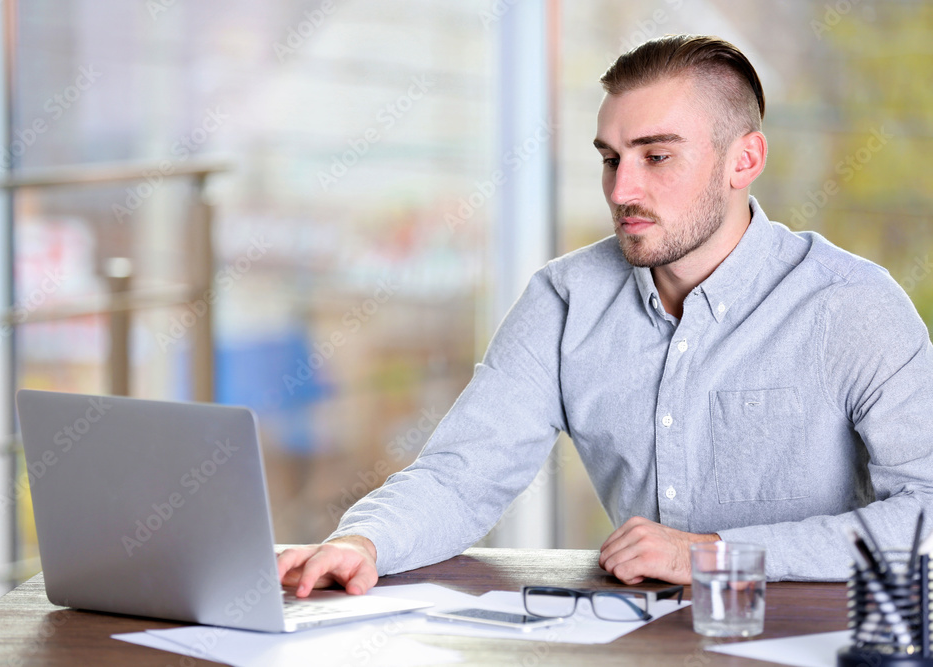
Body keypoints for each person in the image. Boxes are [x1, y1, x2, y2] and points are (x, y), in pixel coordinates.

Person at [278, 34, 933, 596]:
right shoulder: (566, 300)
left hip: (816, 644)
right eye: (610, 158)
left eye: (657, 156)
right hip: (640, 643)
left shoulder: (851, 305)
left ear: (744, 160)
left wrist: (709, 554)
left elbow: (927, 516)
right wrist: (363, 543)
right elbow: (459, 479)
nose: (621, 190)